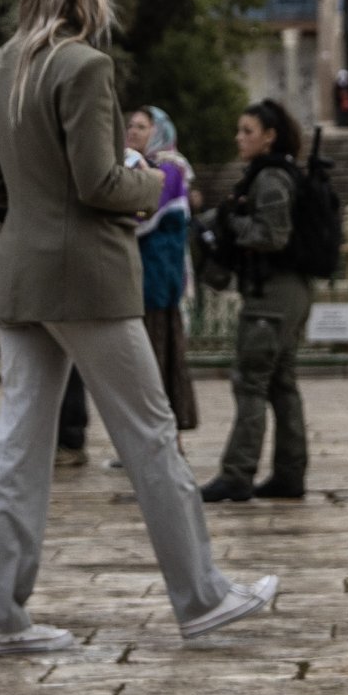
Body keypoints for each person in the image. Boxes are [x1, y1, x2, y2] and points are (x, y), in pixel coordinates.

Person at [0, 0, 275, 654]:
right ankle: (201, 597)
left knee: (18, 446)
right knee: (150, 434)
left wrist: (42, 221)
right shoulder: (85, 67)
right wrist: (153, 177)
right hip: (90, 279)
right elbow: (100, 183)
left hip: (22, 276)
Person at [199, 99, 318, 503]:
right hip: (287, 291)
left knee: (250, 382)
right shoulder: (273, 174)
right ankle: (289, 473)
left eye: (247, 131)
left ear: (269, 136)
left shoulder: (270, 179)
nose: (239, 138)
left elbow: (273, 234)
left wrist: (230, 224)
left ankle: (237, 473)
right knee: (281, 384)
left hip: (273, 294)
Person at [130, 107, 201, 446]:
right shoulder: (142, 166)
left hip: (159, 281)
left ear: (158, 131)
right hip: (144, 279)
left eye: (142, 126)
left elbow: (143, 214)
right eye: (130, 125)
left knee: (158, 359)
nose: (133, 131)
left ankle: (162, 440)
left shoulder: (169, 168)